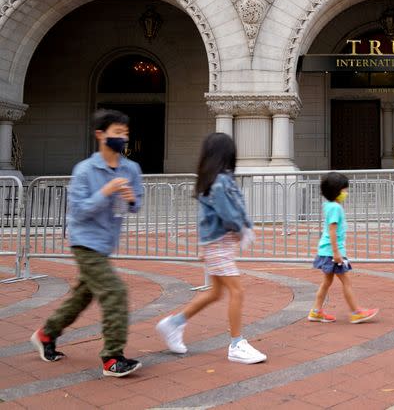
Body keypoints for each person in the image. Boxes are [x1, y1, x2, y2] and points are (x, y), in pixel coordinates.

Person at [31, 109, 144, 377]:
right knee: (115, 292)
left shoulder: (131, 169)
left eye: (125, 133)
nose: (123, 138)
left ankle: (46, 334)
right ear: (100, 135)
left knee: (82, 296)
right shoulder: (84, 171)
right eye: (117, 133)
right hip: (84, 241)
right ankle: (112, 358)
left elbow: (137, 205)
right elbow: (79, 212)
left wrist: (129, 198)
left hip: (106, 242)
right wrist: (105, 192)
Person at [156, 132, 265, 364]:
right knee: (237, 291)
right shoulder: (220, 181)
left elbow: (208, 216)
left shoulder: (211, 179)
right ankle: (236, 344)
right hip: (219, 243)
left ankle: (174, 324)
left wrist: (206, 244)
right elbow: (226, 213)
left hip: (216, 242)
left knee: (216, 292)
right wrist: (241, 228)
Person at [308, 172, 379, 324]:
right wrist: (336, 253)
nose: (346, 193)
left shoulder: (328, 205)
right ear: (336, 191)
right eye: (344, 190)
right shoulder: (335, 208)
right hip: (332, 252)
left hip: (326, 251)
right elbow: (332, 231)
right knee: (346, 282)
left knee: (326, 282)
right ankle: (356, 312)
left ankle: (316, 311)